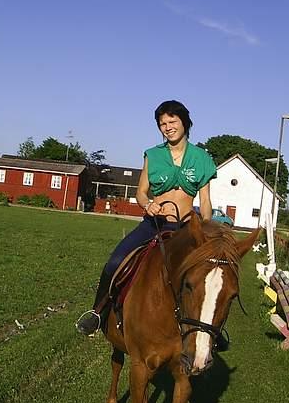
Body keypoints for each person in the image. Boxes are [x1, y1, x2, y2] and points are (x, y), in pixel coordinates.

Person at [76, 99, 217, 336]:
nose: (167, 127)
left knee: (206, 275)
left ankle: (208, 330)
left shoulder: (202, 158)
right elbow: (141, 193)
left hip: (185, 228)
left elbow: (205, 201)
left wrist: (204, 228)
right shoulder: (152, 155)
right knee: (114, 262)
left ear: (185, 122)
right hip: (154, 224)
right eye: (162, 123)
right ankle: (98, 313)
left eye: (172, 121)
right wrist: (148, 205)